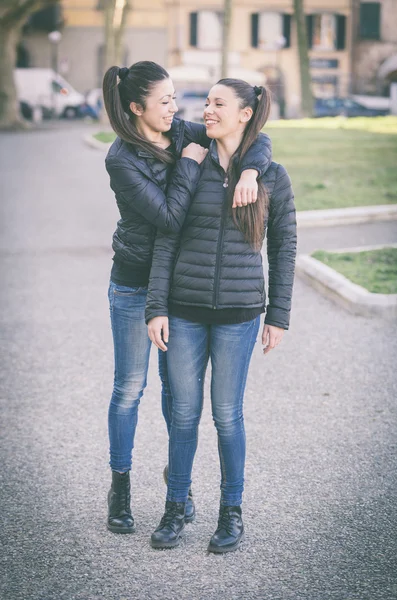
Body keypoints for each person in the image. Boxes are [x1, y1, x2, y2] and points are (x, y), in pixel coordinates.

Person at [102, 61, 273, 534]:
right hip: (136, 282)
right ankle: (121, 486)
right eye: (165, 101)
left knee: (177, 395)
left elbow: (250, 129)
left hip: (177, 286)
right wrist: (191, 166)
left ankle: (179, 489)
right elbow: (170, 220)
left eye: (176, 99)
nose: (176, 109)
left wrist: (253, 171)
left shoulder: (180, 131)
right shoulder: (121, 158)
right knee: (130, 389)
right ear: (137, 108)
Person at [146, 79, 297, 552]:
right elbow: (166, 237)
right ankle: (176, 509)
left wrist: (279, 316)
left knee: (228, 416)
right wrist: (157, 307)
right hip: (185, 310)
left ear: (245, 114)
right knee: (184, 414)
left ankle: (231, 514)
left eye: (217, 104)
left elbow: (285, 248)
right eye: (206, 102)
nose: (206, 110)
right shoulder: (190, 163)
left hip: (240, 314)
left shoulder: (271, 174)